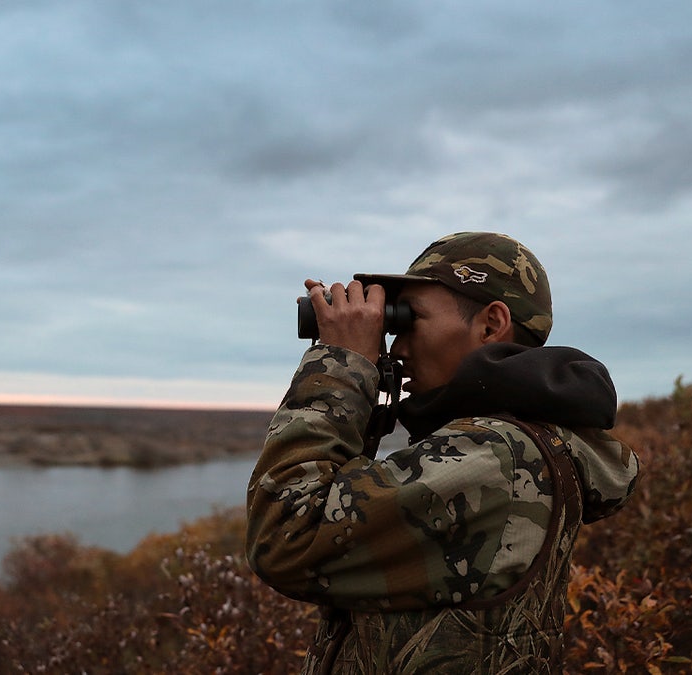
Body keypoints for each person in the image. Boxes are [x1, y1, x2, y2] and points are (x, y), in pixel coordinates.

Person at [246, 232, 640, 674]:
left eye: (409, 320)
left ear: (490, 325)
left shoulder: (498, 456)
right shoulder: (512, 441)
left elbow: (287, 537)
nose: (396, 347)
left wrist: (340, 363)